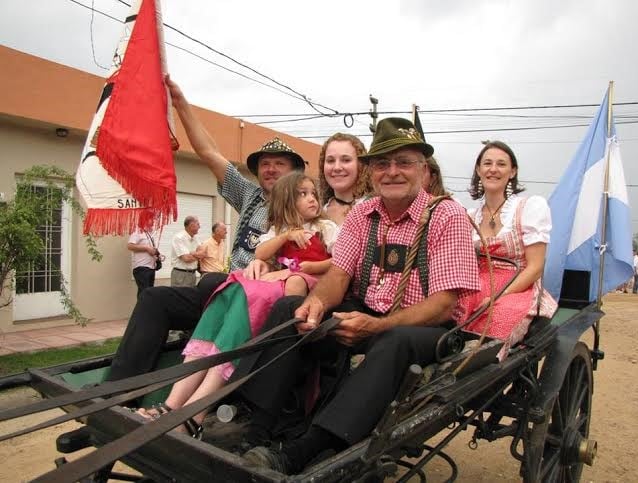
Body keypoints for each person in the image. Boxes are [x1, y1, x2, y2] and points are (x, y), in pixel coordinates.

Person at [239, 117, 480, 474]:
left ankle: (303, 451)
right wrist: (317, 303)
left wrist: (376, 326)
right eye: (383, 163)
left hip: (425, 325)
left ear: (423, 169)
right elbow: (338, 275)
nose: (393, 172)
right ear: (372, 171)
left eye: (404, 162)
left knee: (394, 341)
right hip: (366, 309)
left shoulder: (446, 215)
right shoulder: (362, 214)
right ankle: (254, 430)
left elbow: (444, 303)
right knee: (292, 307)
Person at [105, 76, 305, 381]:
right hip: (224, 291)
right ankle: (118, 391)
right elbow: (209, 153)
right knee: (155, 299)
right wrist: (180, 103)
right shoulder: (249, 195)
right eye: (265, 163)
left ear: (295, 173)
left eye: (279, 163)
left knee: (211, 281)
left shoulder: (307, 210)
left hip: (262, 302)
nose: (270, 169)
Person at [135, 172, 338, 435]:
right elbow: (262, 253)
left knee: (250, 295)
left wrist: (305, 267)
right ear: (287, 201)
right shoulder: (279, 230)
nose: (312, 198)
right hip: (278, 279)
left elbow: (339, 260)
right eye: (303, 194)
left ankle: (195, 414)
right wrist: (286, 238)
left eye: (313, 193)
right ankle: (172, 404)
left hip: (306, 284)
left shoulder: (326, 227)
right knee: (228, 289)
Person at [460, 141, 558, 361]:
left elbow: (535, 267)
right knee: (449, 310)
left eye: (501, 164)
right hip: (475, 283)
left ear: (512, 172)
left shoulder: (528, 208)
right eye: (487, 163)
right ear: (478, 170)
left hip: (516, 285)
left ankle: (479, 365)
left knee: (498, 314)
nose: (493, 169)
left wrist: (498, 295)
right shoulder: (469, 215)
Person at [318, 133, 371, 226]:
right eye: (330, 161)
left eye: (346, 160)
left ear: (361, 165)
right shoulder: (317, 211)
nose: (337, 167)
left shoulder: (372, 209)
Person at [127, 223, 160, 298]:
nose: (153, 222)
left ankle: (147, 309)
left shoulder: (149, 233)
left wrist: (156, 255)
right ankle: (142, 309)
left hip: (151, 268)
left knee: (149, 294)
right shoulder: (137, 231)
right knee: (144, 294)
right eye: (151, 219)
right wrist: (146, 248)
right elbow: (130, 246)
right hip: (142, 268)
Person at [170, 216, 204, 287]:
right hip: (181, 274)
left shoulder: (196, 238)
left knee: (190, 297)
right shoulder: (179, 238)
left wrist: (193, 254)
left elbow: (203, 253)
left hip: (192, 274)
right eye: (198, 224)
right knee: (179, 297)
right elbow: (186, 258)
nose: (199, 227)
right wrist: (198, 255)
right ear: (191, 225)